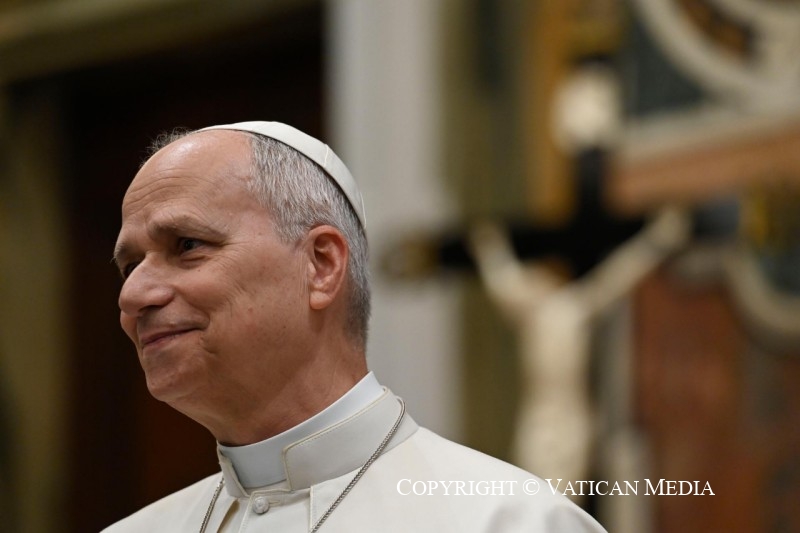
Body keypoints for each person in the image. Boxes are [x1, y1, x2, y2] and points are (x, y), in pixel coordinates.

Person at [104, 121, 606, 532]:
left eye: (187, 245)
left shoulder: (511, 523)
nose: (133, 296)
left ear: (320, 266)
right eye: (130, 267)